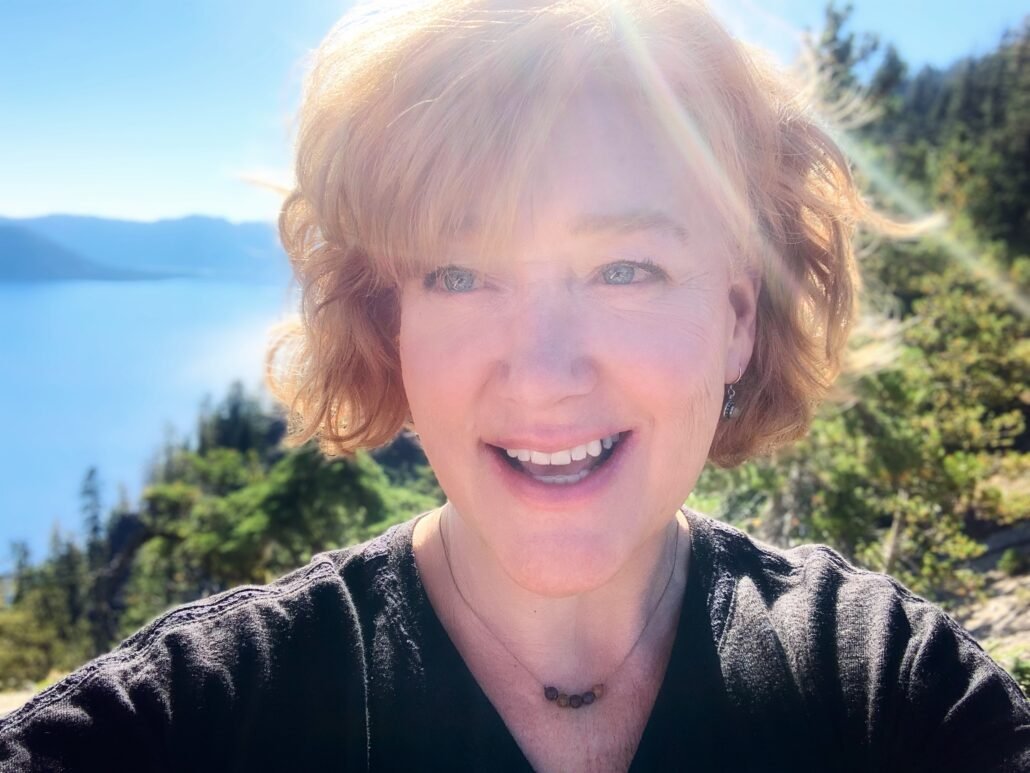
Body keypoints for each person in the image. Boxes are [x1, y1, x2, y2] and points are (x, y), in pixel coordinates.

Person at [2, 1, 1028, 770]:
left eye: (624, 267)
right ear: (391, 323)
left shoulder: (888, 692)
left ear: (737, 316)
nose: (541, 370)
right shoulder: (202, 719)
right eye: (458, 273)